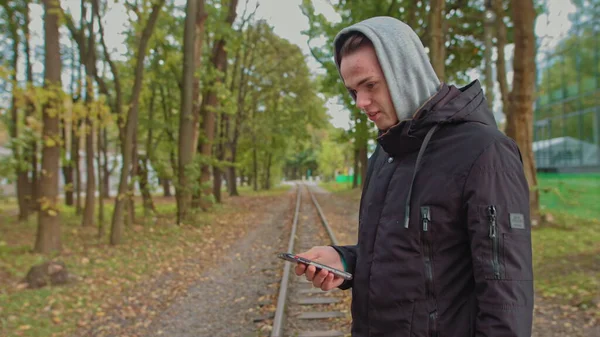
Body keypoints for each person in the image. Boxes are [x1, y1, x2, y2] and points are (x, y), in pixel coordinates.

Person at [294, 16, 534, 337]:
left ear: (405, 72)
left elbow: (506, 296)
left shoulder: (485, 152)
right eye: (353, 91)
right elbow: (410, 256)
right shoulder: (383, 155)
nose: (361, 103)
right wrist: (346, 261)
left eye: (370, 85)